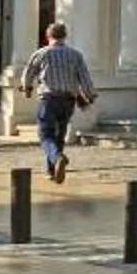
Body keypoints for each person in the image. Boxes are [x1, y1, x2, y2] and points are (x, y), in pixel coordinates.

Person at [15, 22, 96, 183]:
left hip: (49, 99)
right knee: (59, 135)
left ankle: (57, 158)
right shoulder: (75, 55)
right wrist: (89, 96)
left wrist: (27, 88)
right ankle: (52, 170)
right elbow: (84, 78)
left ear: (48, 36)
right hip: (68, 101)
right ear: (65, 36)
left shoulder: (41, 53)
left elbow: (28, 74)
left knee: (45, 134)